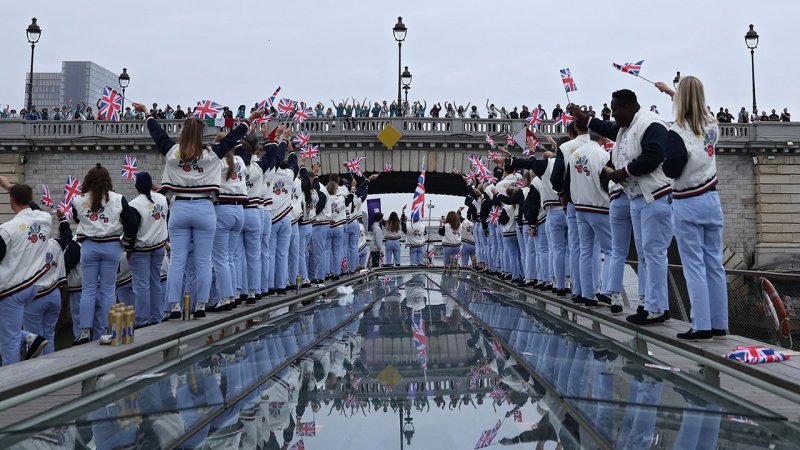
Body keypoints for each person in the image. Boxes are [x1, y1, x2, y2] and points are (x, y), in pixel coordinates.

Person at [136, 101, 263, 320]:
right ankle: (202, 305)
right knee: (204, 261)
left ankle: (174, 306)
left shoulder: (172, 152)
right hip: (205, 209)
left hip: (180, 208)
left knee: (177, 260)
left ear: (183, 133)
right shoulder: (212, 153)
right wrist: (248, 119)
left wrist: (148, 113)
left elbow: (158, 134)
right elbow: (233, 137)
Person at [572, 89, 672, 326]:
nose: (612, 114)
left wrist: (622, 172)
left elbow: (654, 154)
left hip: (654, 197)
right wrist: (583, 118)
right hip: (637, 197)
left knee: (653, 253)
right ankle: (650, 303)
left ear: (627, 107)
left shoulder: (650, 124)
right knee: (645, 253)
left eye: (615, 109)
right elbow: (605, 128)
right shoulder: (625, 128)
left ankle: (656, 307)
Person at [657, 76, 728, 341]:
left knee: (694, 265)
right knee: (714, 264)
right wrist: (670, 91)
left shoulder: (677, 131)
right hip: (712, 199)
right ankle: (720, 323)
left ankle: (701, 324)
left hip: (688, 201)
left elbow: (673, 168)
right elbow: (696, 108)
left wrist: (665, 164)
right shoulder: (712, 125)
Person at [71, 164, 137, 343]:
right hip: (111, 246)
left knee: (88, 290)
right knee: (108, 290)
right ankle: (109, 329)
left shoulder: (78, 200)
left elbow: (77, 218)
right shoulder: (118, 198)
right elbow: (131, 221)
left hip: (89, 247)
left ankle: (84, 332)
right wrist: (128, 240)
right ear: (108, 180)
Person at [0, 177, 51, 364]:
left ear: (11, 201)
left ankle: (12, 382)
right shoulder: (44, 219)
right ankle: (28, 337)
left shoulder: (6, 230)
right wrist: (9, 186)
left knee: (9, 340)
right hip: (33, 285)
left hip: (11, 288)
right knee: (8, 331)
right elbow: (34, 208)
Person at [565, 131, 616, 310]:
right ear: (602, 137)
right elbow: (607, 183)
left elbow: (567, 183)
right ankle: (607, 291)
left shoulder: (575, 155)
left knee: (584, 252)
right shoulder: (603, 155)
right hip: (600, 206)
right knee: (611, 250)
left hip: (580, 207)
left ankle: (586, 293)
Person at [126, 171, 169, 325]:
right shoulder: (162, 199)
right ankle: (156, 317)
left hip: (141, 250)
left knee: (141, 285)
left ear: (137, 186)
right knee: (155, 281)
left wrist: (128, 248)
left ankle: (142, 320)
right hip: (159, 247)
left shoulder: (134, 204)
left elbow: (131, 230)